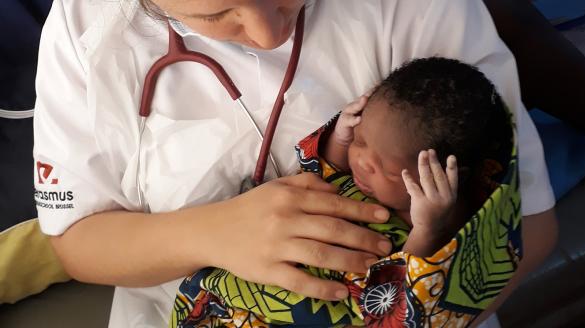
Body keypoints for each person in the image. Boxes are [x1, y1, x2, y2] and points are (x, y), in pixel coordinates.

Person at [33, 1, 557, 327]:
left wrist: (411, 309)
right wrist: (209, 233)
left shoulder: (414, 8)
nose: (267, 35)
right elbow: (78, 239)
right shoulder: (86, 28)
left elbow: (526, 225)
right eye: (215, 15)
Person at [172, 57, 517, 327]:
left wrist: (429, 227)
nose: (362, 162)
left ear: (440, 181)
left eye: (384, 168)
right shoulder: (354, 174)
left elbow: (399, 294)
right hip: (226, 295)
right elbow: (323, 174)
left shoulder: (425, 228)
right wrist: (340, 138)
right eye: (361, 139)